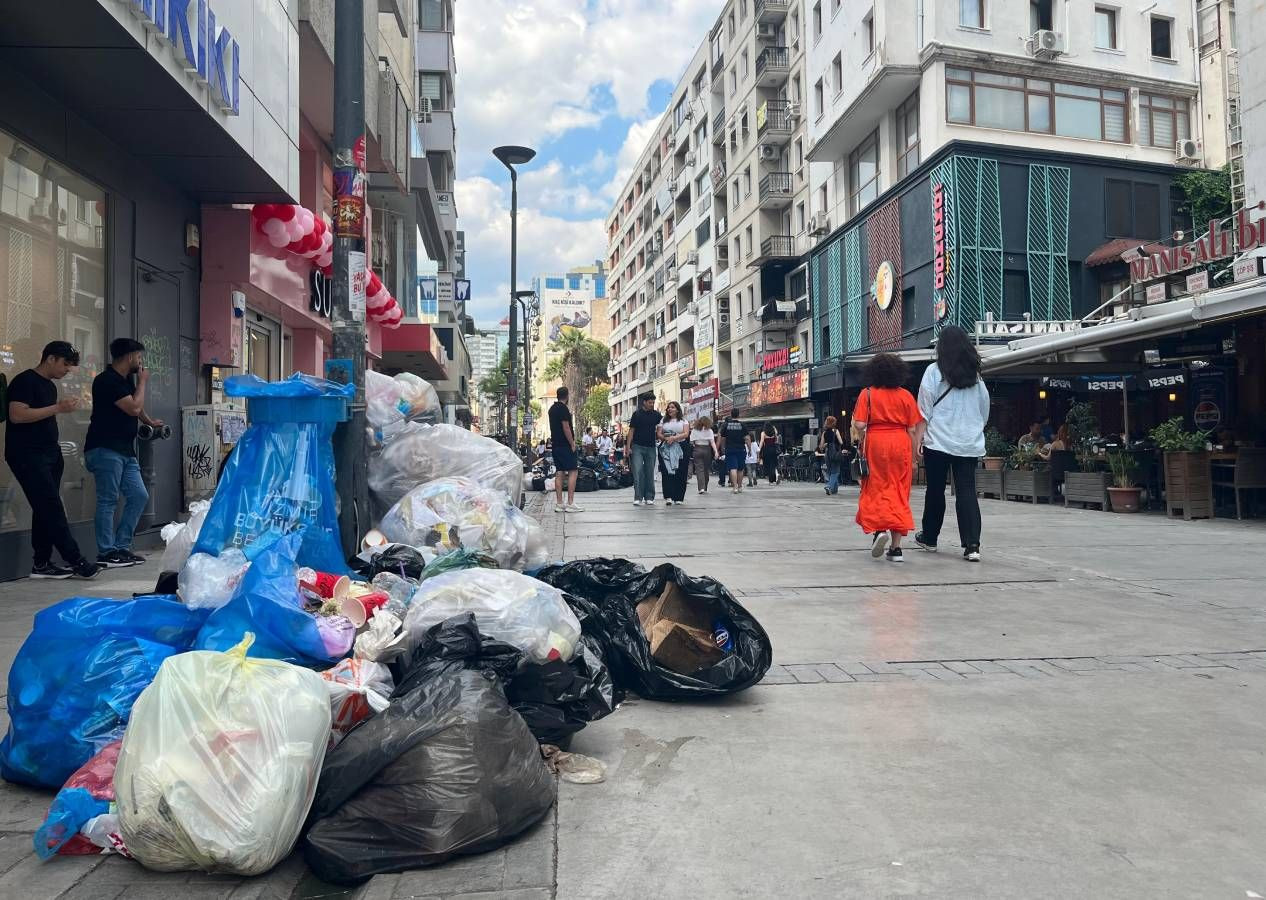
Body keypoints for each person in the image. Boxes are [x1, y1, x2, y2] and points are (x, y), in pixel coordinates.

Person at [4, 342, 99, 579]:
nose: (67, 370)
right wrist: (57, 408)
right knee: (52, 507)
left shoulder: (49, 385)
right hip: (27, 454)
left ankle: (41, 563)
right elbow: (17, 415)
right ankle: (76, 560)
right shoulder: (25, 381)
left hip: (49, 453)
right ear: (50, 359)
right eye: (65, 364)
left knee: (44, 508)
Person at [912, 325, 989, 563]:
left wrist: (918, 439)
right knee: (967, 490)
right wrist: (973, 429)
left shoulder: (933, 372)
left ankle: (930, 537)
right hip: (968, 442)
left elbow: (924, 409)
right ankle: (972, 544)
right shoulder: (976, 377)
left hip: (938, 441)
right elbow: (984, 409)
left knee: (935, 489)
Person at [84, 338, 160, 568]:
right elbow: (134, 407)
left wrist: (149, 421)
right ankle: (106, 552)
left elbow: (137, 407)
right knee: (108, 500)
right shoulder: (107, 380)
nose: (141, 362)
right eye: (139, 356)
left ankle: (121, 547)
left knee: (139, 495)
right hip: (105, 448)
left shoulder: (124, 380)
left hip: (125, 450)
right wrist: (143, 381)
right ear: (129, 356)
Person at [853, 353, 924, 563]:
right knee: (899, 491)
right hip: (900, 443)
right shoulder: (906, 395)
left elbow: (859, 425)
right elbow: (912, 429)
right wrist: (914, 456)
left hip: (876, 443)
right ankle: (896, 548)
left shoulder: (867, 394)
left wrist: (862, 435)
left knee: (876, 488)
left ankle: (880, 530)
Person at [548, 387, 582, 513]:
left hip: (556, 445)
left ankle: (559, 503)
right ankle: (570, 503)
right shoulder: (563, 409)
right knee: (573, 471)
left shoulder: (552, 409)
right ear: (567, 396)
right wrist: (572, 443)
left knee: (559, 472)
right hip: (565, 445)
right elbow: (566, 427)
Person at [626, 393, 662, 505]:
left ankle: (649, 497)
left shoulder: (657, 415)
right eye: (650, 402)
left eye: (653, 403)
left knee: (649, 472)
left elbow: (662, 427)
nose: (652, 404)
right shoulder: (636, 414)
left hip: (651, 447)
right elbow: (631, 431)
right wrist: (628, 447)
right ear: (644, 402)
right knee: (637, 471)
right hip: (637, 446)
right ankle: (638, 497)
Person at [657, 402, 691, 505]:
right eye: (668, 407)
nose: (670, 409)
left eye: (672, 407)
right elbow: (659, 433)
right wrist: (666, 438)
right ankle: (668, 496)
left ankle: (679, 497)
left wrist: (674, 438)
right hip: (666, 447)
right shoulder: (663, 420)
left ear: (677, 409)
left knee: (681, 471)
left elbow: (686, 433)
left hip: (681, 446)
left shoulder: (683, 420)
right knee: (667, 471)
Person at [718, 411, 748, 494]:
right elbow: (747, 438)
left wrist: (723, 448)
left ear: (731, 415)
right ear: (738, 415)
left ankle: (735, 487)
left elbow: (722, 438)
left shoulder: (726, 425)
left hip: (730, 449)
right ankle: (740, 487)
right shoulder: (743, 425)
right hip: (741, 449)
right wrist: (749, 448)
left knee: (732, 468)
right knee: (740, 469)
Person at [689, 416, 719, 494]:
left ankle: (701, 488)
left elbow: (691, 442)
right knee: (706, 469)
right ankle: (705, 487)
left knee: (699, 469)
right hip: (707, 449)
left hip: (697, 449)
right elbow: (712, 442)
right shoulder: (709, 430)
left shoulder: (694, 430)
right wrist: (716, 452)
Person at [818, 415, 847, 495]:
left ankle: (834, 490)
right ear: (834, 423)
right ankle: (829, 486)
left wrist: (826, 444)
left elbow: (821, 446)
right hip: (835, 453)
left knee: (831, 471)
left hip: (827, 454)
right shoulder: (836, 431)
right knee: (836, 472)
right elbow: (841, 442)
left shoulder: (824, 433)